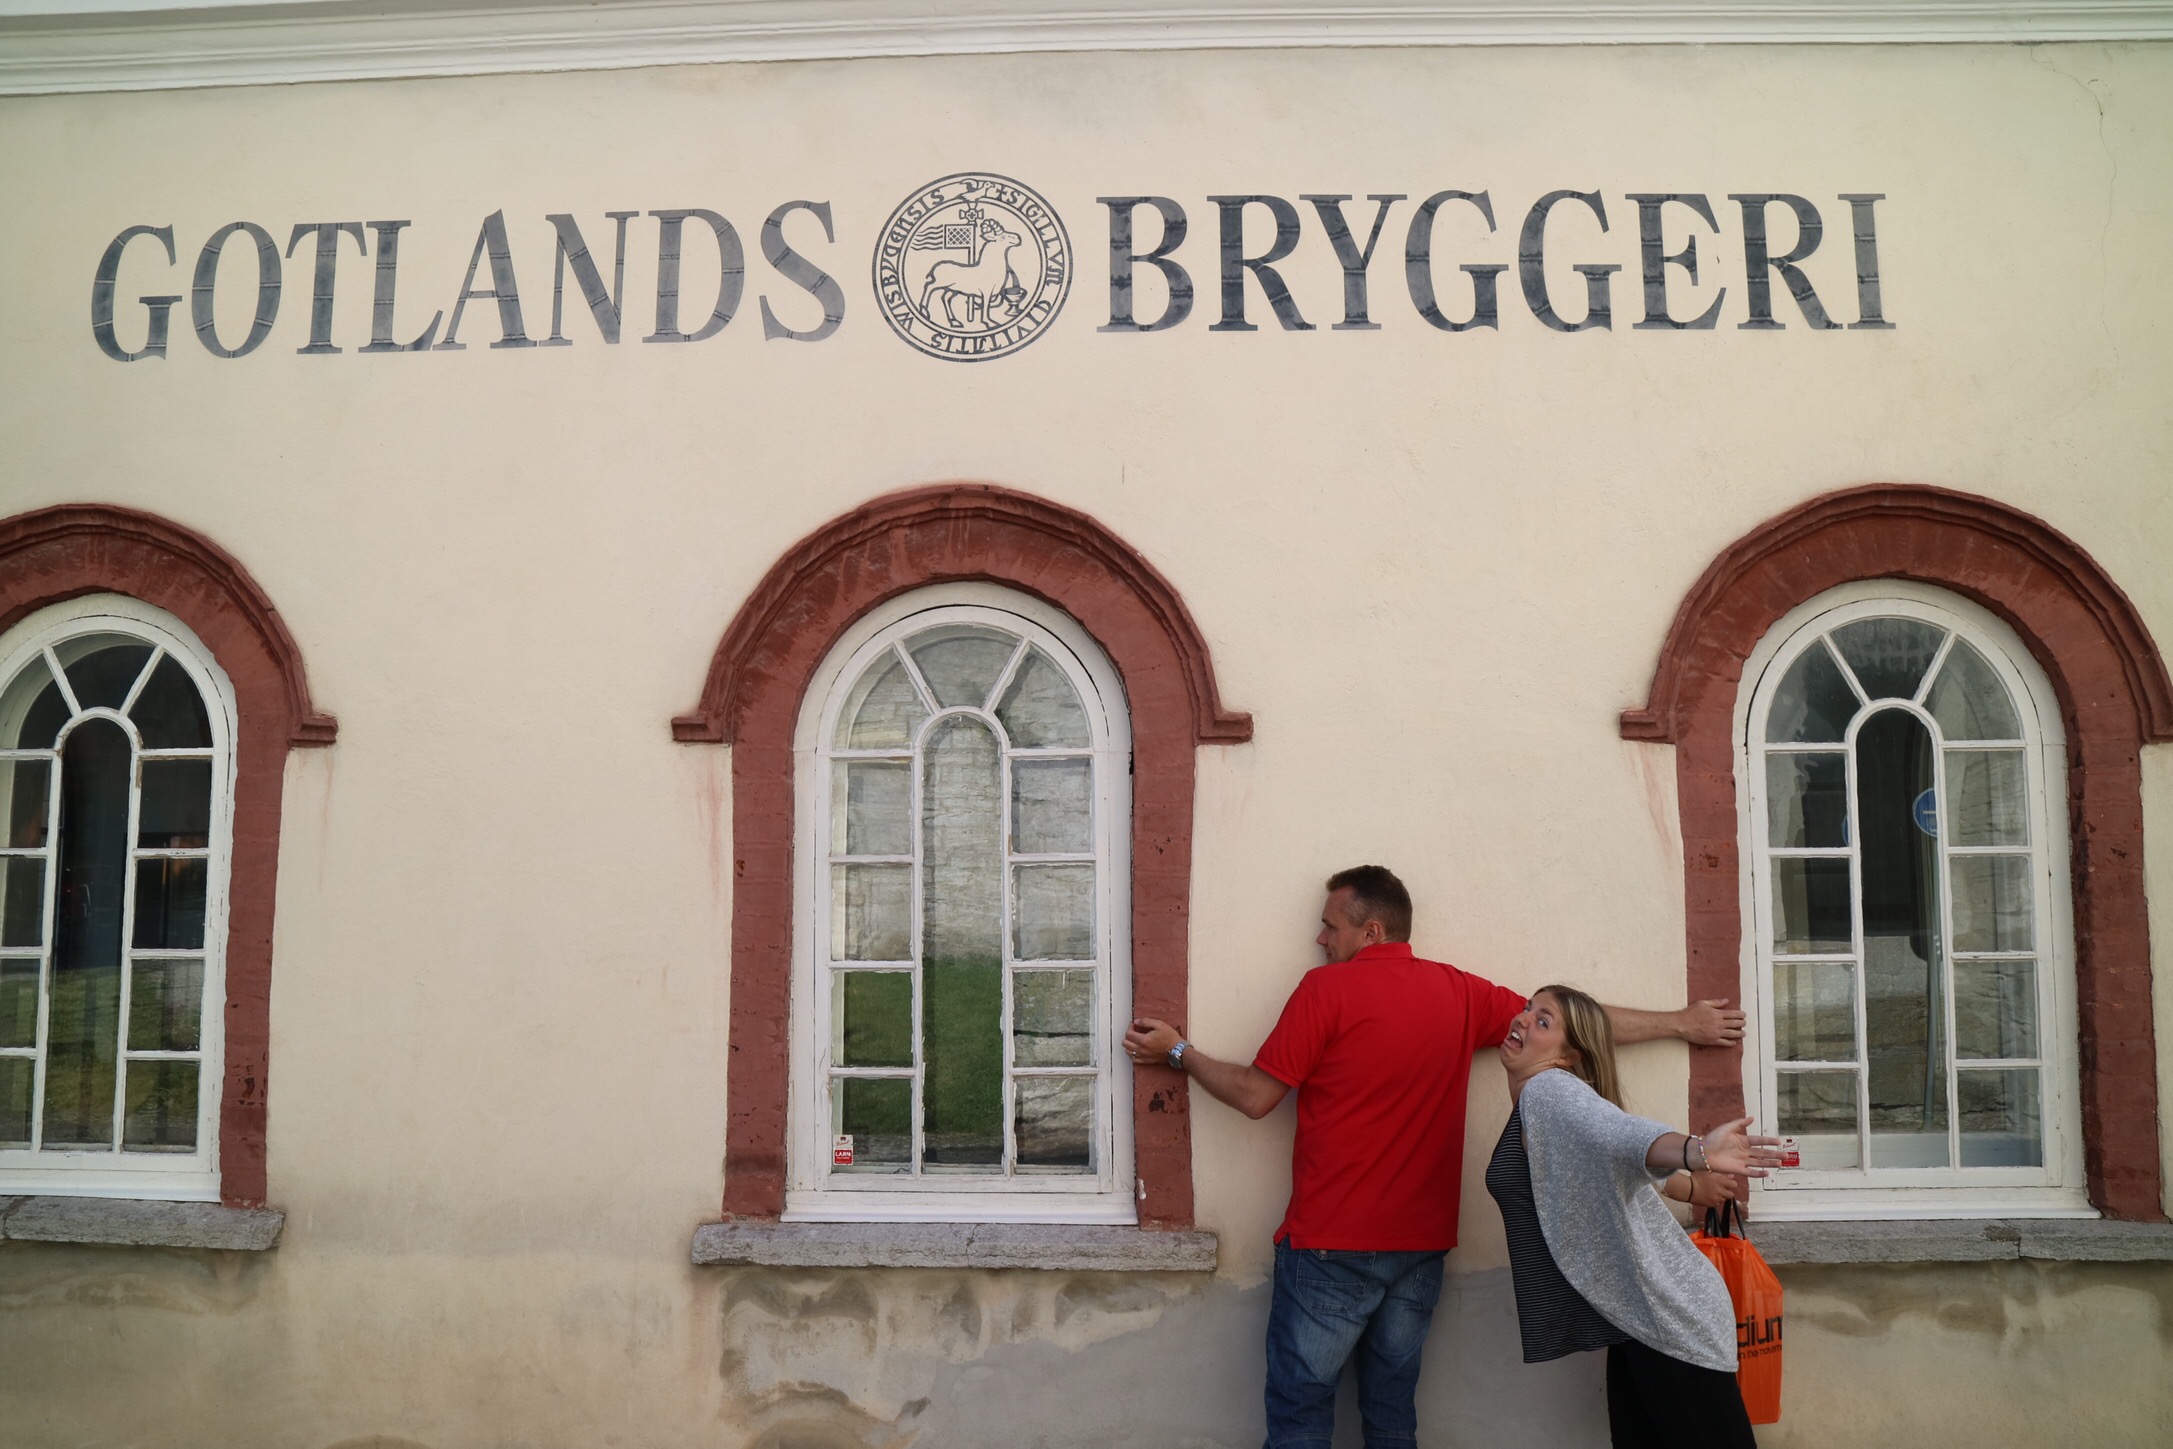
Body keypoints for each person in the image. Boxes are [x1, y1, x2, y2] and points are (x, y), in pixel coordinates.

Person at [1121, 865, 1744, 1449]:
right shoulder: (1458, 992)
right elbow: (1581, 1026)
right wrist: (1681, 1023)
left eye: (1330, 927)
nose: (1320, 939)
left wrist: (1178, 1052)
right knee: (1391, 1414)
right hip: (1420, 1251)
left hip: (1330, 1244)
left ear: (1371, 931)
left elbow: (1256, 1096)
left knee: (1299, 1413)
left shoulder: (1324, 989)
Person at [1486, 984, 1782, 1449]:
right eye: (1527, 1009)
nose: (1523, 1019)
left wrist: (1696, 1151)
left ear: (1568, 1057)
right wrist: (1691, 1185)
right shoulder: (1546, 1109)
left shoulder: (1548, 1091)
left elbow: (1625, 1135)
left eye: (1543, 1021)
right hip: (1637, 1321)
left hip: (1673, 1319)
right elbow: (1616, 1163)